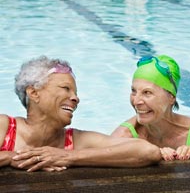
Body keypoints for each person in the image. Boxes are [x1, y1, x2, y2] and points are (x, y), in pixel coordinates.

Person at [0, 56, 161, 172]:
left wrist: (68, 157)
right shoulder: (5, 128)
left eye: (75, 92)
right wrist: (10, 157)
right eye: (65, 88)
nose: (75, 98)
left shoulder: (76, 140)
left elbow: (149, 152)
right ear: (34, 93)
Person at [111, 55, 190, 161]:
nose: (136, 101)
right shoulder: (123, 137)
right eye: (134, 91)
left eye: (147, 93)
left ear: (171, 97)